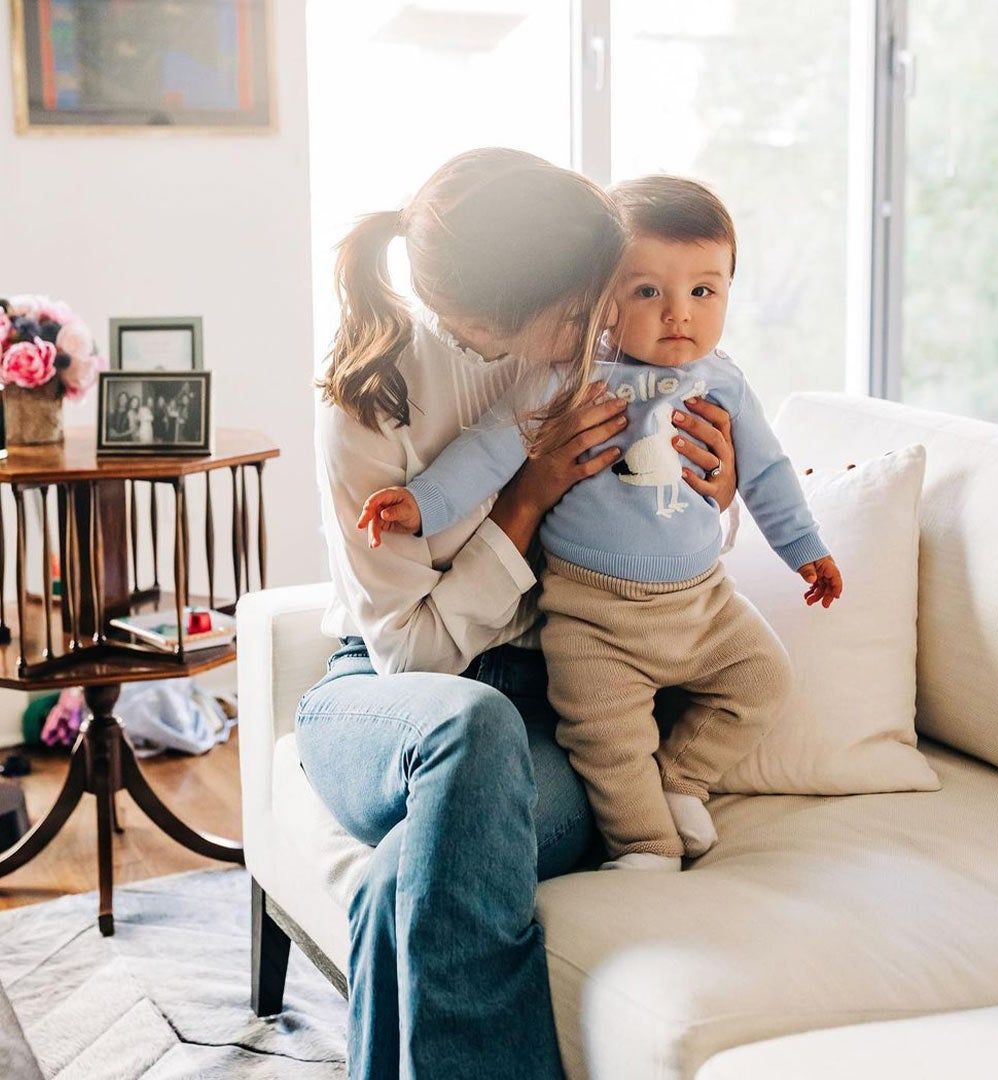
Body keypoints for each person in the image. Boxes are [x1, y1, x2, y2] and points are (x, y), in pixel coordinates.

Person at [297, 149, 738, 1080]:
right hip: (386, 703)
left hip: (555, 708)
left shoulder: (589, 360)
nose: (605, 323)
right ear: (484, 321)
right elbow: (409, 654)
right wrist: (525, 501)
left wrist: (715, 491)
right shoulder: (369, 404)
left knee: (399, 885)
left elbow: (660, 545)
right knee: (473, 719)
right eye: (583, 310)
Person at [360, 175, 844, 871]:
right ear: (600, 297)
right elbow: (493, 447)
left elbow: (766, 474)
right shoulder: (571, 374)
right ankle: (644, 847)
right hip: (593, 616)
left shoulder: (726, 383)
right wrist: (421, 503)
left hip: (704, 604)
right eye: (648, 291)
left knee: (763, 678)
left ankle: (682, 779)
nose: (679, 313)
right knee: (606, 739)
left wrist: (806, 549)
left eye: (703, 292)